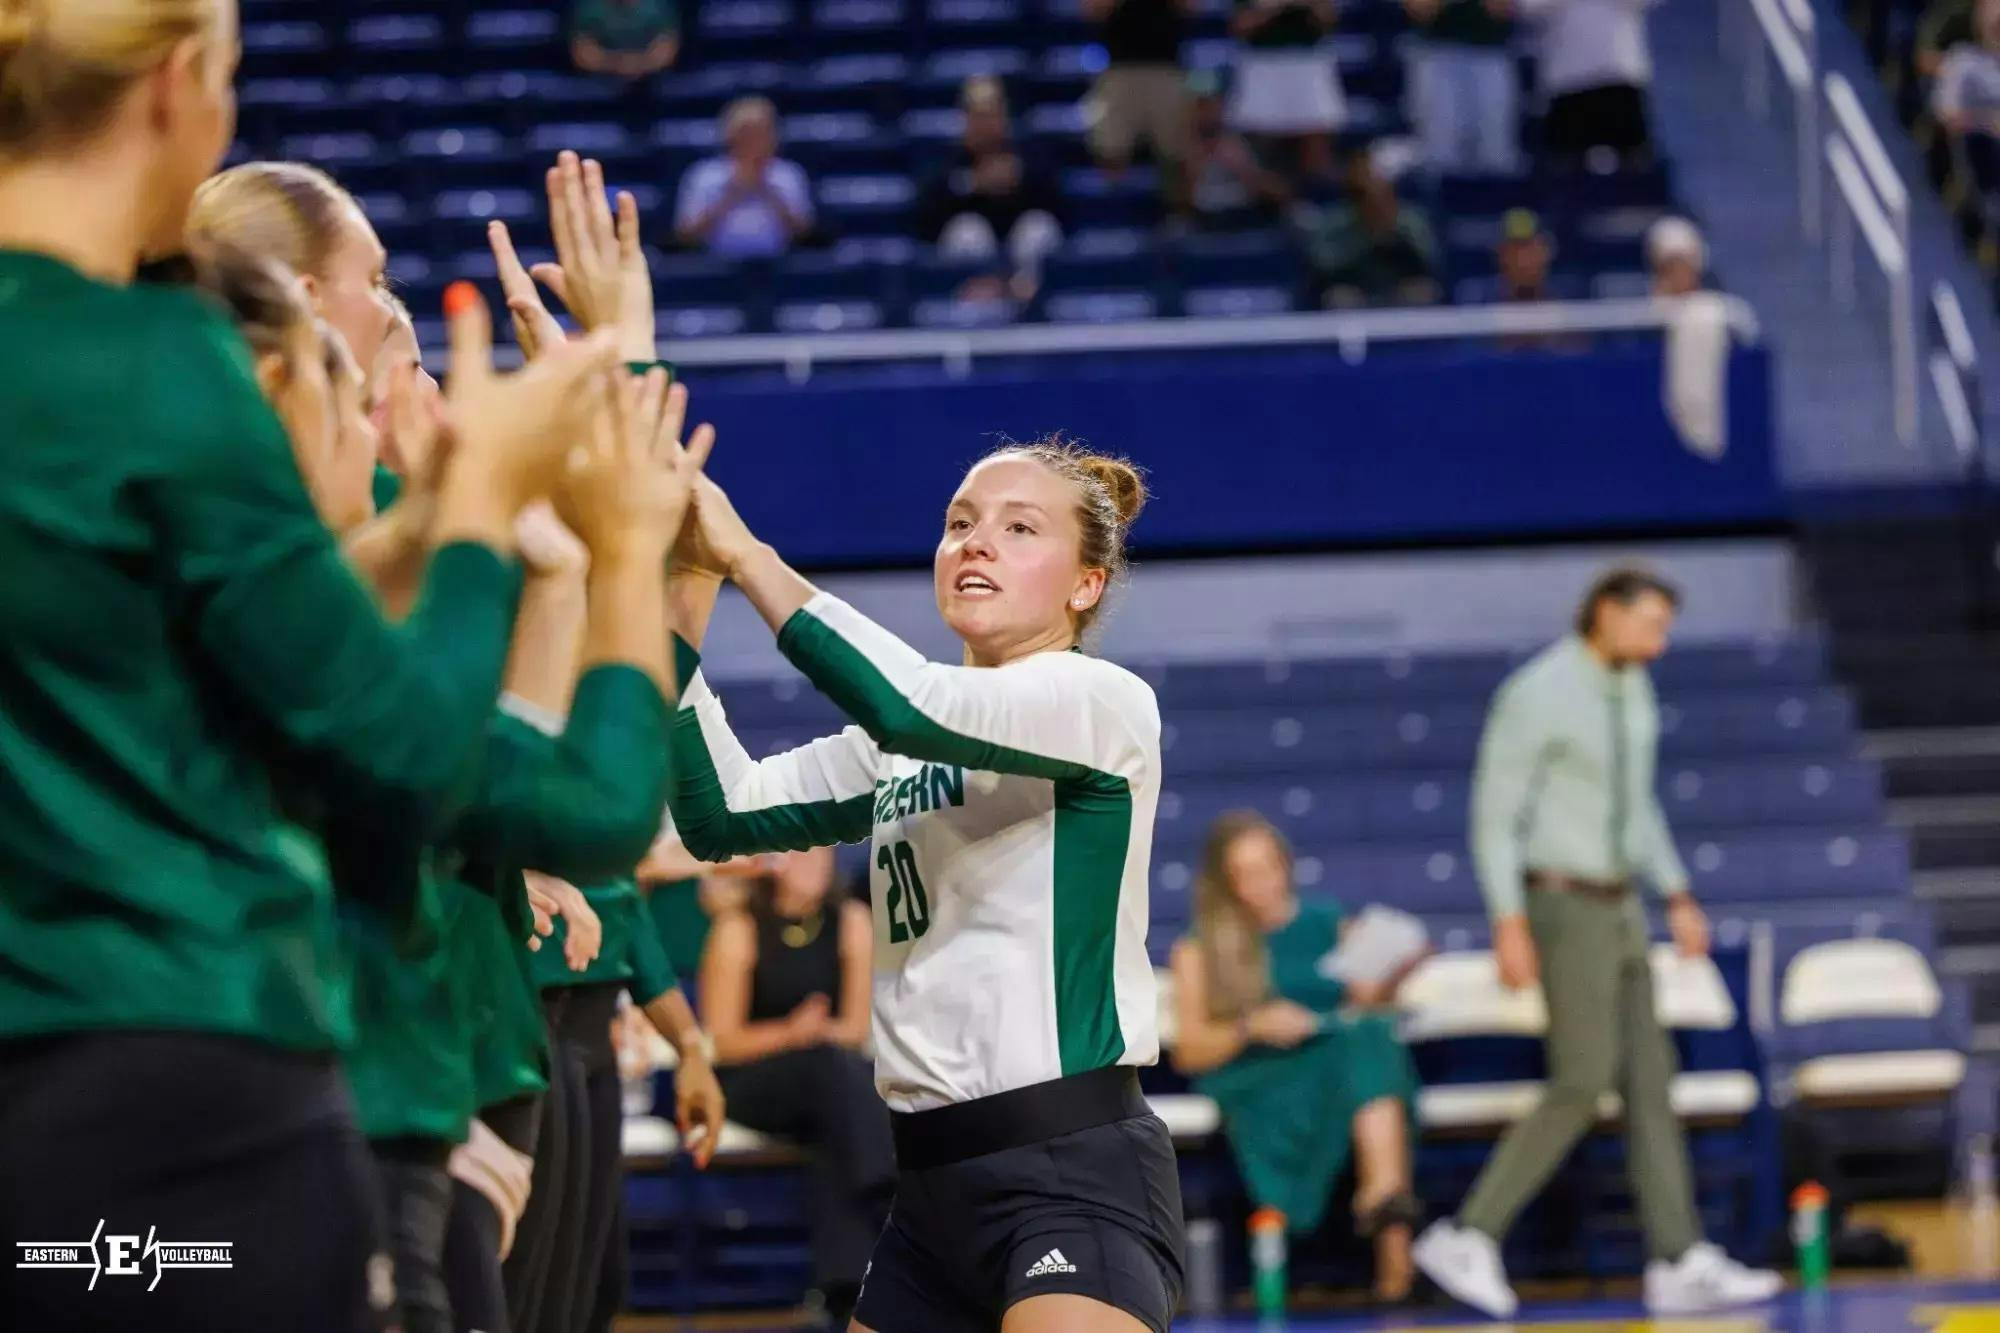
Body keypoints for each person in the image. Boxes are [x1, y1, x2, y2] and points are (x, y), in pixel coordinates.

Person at [0, 2, 618, 1325]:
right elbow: (404, 748)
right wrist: (472, 523)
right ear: (180, 86)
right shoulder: (157, 364)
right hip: (196, 1067)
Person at [663, 436, 1185, 1333]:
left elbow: (910, 701)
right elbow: (725, 815)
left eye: (1020, 528)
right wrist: (685, 587)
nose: (976, 542)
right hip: (930, 1189)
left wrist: (749, 556)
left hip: (1069, 1172)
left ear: (1085, 585)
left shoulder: (1099, 698)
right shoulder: (903, 746)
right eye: (959, 523)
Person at [1413, 567, 1785, 1319]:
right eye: (1650, 623)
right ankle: (1467, 1231)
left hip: (1622, 907)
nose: (1661, 641)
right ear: (1604, 615)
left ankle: (1677, 1256)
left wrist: (1676, 891)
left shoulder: (1630, 687)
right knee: (1581, 1079)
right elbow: (1494, 815)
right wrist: (1507, 918)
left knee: (1651, 1079)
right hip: (1561, 902)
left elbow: (1638, 804)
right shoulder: (1536, 691)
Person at [1168, 814, 1423, 1305]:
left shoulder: (1329, 921)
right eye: (1245, 873)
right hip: (1257, 1074)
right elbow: (1191, 1050)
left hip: (1335, 1062)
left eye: (1269, 867)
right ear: (1225, 883)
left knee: (1366, 1038)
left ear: (1287, 866)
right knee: (1365, 1049)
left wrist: (1390, 977)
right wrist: (1253, 1026)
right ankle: (1390, 1230)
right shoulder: (1201, 947)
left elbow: (1365, 1000)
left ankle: (1384, 1200)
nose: (1262, 883)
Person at [700, 846, 896, 1328]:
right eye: (799, 856)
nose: (812, 865)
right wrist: (791, 1033)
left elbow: (853, 1026)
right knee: (833, 1074)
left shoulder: (851, 921)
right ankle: (891, 1185)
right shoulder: (739, 927)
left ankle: (845, 1290)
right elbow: (723, 1041)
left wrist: (813, 1036)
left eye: (820, 856)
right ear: (772, 865)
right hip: (750, 1082)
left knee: (833, 1129)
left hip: (826, 1089)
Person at [916, 77, 1065, 302]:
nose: (986, 123)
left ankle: (1031, 299)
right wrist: (972, 183)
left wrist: (1020, 179)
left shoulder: (1027, 154)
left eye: (992, 113)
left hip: (1022, 266)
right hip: (972, 274)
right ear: (965, 118)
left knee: (1037, 226)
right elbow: (926, 218)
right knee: (966, 231)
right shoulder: (949, 162)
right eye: (978, 115)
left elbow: (1058, 206)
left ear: (1004, 115)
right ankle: (983, 294)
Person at [1519, 0, 1663, 169]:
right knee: (1564, 168)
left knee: (1634, 167)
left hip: (1618, 77)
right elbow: (1517, 7)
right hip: (1566, 82)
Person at [673, 96, 815, 259]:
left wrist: (765, 190)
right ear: (729, 136)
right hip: (717, 268)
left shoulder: (787, 174)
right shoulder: (705, 175)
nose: (753, 141)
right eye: (746, 133)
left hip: (778, 269)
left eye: (760, 133)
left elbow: (804, 233)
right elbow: (686, 235)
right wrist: (732, 193)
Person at [1306, 149, 1441, 307]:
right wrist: (1367, 239)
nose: (1376, 203)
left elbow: (1430, 260)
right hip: (1355, 289)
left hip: (1398, 288)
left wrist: (1394, 237)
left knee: (1422, 292)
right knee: (1339, 297)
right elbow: (1321, 263)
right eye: (1366, 195)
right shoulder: (1335, 221)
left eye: (1381, 195)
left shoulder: (1410, 220)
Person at [1229, 0, 1343, 183]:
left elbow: (1328, 21)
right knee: (1261, 150)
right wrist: (1273, 8)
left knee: (1316, 148)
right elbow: (1241, 26)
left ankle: (1316, 199)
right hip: (1261, 64)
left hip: (1309, 63)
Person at [1404, 0, 1519, 175]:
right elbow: (1419, 10)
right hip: (1438, 56)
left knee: (1494, 154)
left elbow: (1502, 9)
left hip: (1489, 55)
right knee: (1439, 156)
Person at [1084, 0, 1192, 176]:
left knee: (1177, 154)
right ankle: (1113, 201)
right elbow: (1093, 10)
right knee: (1110, 150)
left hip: (1165, 70)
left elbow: (1189, 7)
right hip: (1119, 71)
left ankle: (1176, 202)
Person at [1176, 73, 1293, 226]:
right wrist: (1193, 170)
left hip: (1248, 217)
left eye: (1211, 104)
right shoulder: (1176, 147)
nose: (1206, 113)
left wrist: (1245, 169)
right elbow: (1175, 204)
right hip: (1201, 223)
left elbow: (1282, 194)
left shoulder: (1250, 139)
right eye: (1200, 106)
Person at [570, 0, 680, 80]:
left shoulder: (658, 6)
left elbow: (666, 51)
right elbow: (583, 53)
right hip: (599, 78)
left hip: (652, 80)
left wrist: (637, 64)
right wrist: (617, 63)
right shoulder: (590, 7)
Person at [1647, 215, 1706, 297]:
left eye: (1683, 267)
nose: (1678, 277)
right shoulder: (1642, 307)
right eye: (1668, 268)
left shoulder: (1715, 307)